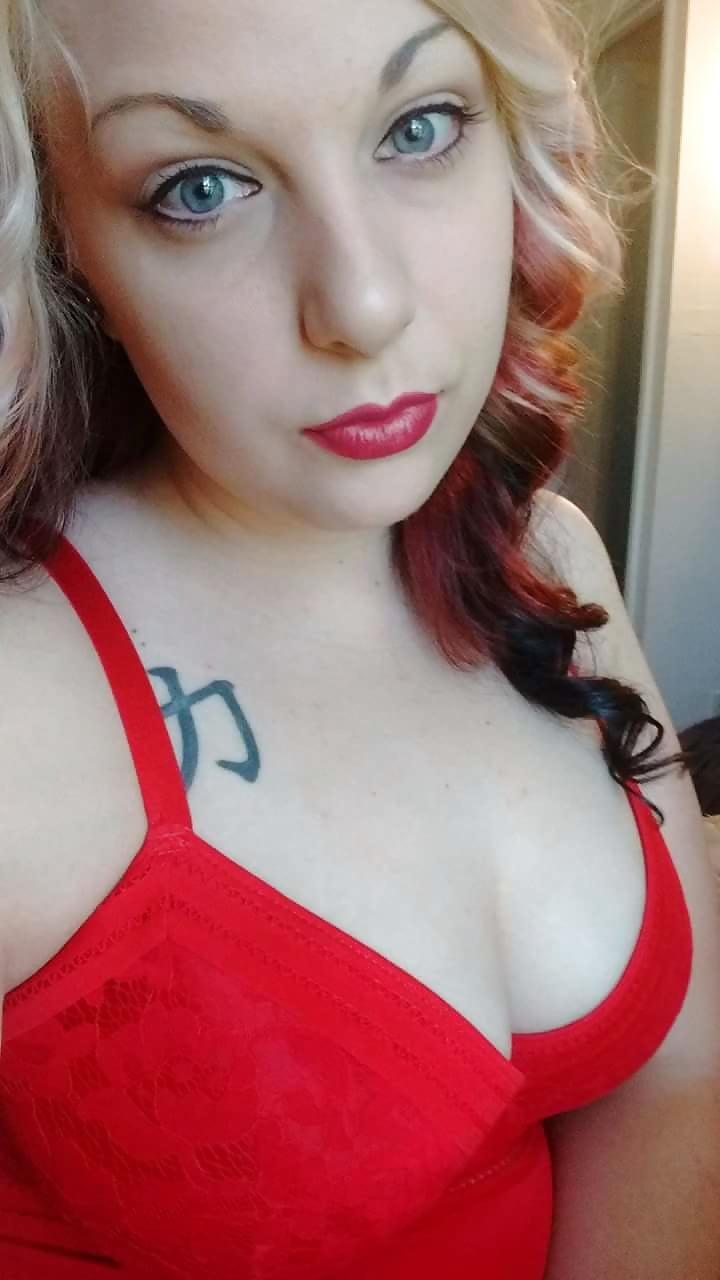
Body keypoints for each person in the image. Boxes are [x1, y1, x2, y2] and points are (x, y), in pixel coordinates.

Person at [0, 0, 718, 1276]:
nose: (365, 303)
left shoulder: (551, 557)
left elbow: (673, 1085)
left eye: (421, 127)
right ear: (70, 250)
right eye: (200, 187)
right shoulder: (23, 694)